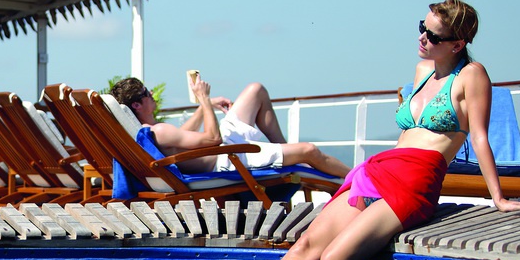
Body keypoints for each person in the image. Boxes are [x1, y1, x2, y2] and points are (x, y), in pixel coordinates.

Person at [269, 0, 520, 260]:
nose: (422, 38)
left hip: (415, 181)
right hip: (380, 171)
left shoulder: (472, 75)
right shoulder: (423, 71)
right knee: (303, 247)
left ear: (457, 45)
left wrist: (498, 198)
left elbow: (479, 137)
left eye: (433, 36)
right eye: (422, 28)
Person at [110, 76, 351, 179]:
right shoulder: (158, 131)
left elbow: (184, 136)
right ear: (137, 105)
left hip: (224, 149)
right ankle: (358, 179)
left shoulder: (150, 131)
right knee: (310, 150)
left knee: (256, 90)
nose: (152, 94)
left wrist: (205, 107)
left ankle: (285, 150)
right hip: (227, 157)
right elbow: (212, 139)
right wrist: (204, 98)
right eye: (146, 93)